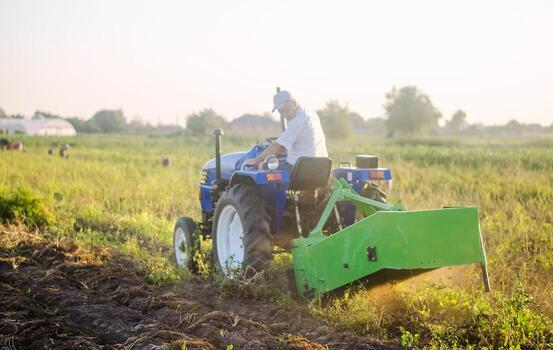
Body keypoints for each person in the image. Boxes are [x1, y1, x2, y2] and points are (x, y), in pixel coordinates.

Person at [244, 88, 328, 171]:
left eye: (286, 110)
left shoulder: (298, 121)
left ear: (294, 103)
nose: (284, 115)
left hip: (302, 168)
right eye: (281, 112)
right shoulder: (310, 113)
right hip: (322, 165)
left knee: (262, 166)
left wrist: (256, 160)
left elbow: (277, 147)